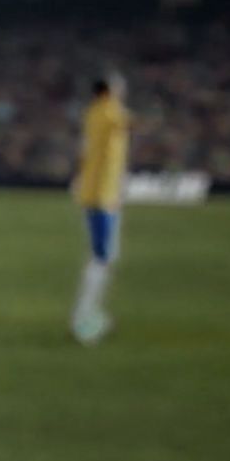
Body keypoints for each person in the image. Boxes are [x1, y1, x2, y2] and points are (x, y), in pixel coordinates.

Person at [71, 72, 130, 345]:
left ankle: (88, 314)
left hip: (99, 193)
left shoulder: (92, 114)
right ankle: (84, 319)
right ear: (107, 92)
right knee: (102, 257)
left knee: (105, 255)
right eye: (118, 89)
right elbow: (129, 122)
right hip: (101, 196)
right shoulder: (108, 112)